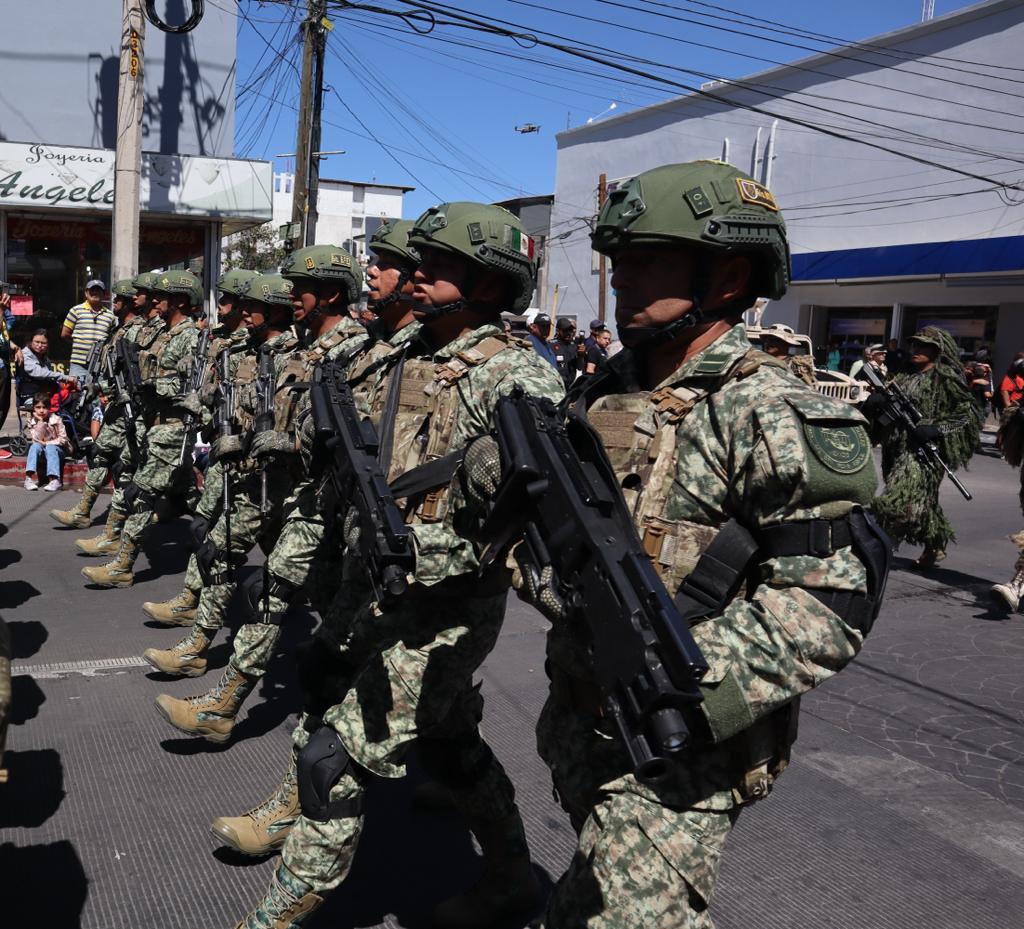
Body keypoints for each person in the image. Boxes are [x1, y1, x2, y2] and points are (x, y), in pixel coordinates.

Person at [475, 160, 887, 929]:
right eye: (617, 259)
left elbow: (831, 598)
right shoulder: (600, 390)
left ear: (727, 274)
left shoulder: (771, 410)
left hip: (687, 744)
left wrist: (682, 691)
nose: (620, 278)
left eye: (645, 260)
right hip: (582, 718)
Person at [230, 202, 564, 929]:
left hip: (445, 611)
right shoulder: (410, 353)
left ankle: (277, 911)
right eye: (419, 263)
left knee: (335, 754)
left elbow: (523, 523)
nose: (417, 274)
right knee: (448, 745)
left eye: (440, 266)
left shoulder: (518, 377)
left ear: (489, 280)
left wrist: (422, 550)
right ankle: (510, 874)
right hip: (373, 581)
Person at [81, 271, 202, 588]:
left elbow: (192, 386)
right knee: (188, 494)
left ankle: (122, 566)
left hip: (174, 428)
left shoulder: (191, 338)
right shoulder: (163, 333)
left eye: (162, 297)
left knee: (142, 493)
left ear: (180, 301)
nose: (156, 301)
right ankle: (207, 530)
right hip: (151, 424)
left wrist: (152, 384)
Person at [867, 326, 980, 570]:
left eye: (922, 346)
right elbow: (887, 404)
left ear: (937, 350)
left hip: (923, 451)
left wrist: (937, 430)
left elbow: (967, 415)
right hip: (895, 448)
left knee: (897, 501)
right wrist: (875, 404)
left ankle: (877, 552)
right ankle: (935, 543)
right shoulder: (903, 374)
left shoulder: (946, 377)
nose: (915, 349)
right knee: (924, 501)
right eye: (913, 345)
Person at [49, 280, 143, 530]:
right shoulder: (122, 329)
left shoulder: (135, 330)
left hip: (134, 408)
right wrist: (102, 388)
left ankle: (153, 514)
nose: (112, 302)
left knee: (139, 467)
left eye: (118, 299)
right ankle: (85, 512)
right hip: (116, 402)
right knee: (101, 453)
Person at [61, 279, 116, 380]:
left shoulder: (110, 315)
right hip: (78, 363)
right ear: (86, 293)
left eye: (98, 290)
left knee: (99, 394)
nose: (95, 292)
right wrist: (80, 343)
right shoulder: (76, 310)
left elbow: (111, 339)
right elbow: (65, 334)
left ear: (104, 294)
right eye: (92, 290)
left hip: (100, 364)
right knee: (76, 392)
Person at [24, 392, 69, 491]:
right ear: (34, 408)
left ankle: (54, 480)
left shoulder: (56, 419)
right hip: (42, 451)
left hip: (58, 451)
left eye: (44, 407)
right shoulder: (32, 421)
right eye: (38, 407)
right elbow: (36, 439)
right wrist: (40, 422)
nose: (41, 410)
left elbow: (63, 439)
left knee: (50, 447)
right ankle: (28, 479)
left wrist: (48, 443)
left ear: (49, 408)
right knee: (34, 446)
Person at [20, 329, 78, 398]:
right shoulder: (24, 355)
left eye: (43, 343)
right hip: (28, 396)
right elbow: (39, 373)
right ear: (31, 342)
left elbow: (50, 377)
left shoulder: (45, 358)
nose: (39, 345)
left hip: (43, 395)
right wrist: (65, 377)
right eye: (37, 342)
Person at [549, 316, 582, 387]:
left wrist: (581, 356)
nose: (568, 333)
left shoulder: (574, 346)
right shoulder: (550, 345)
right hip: (555, 384)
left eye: (570, 330)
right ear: (558, 331)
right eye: (565, 330)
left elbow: (579, 367)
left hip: (570, 385)